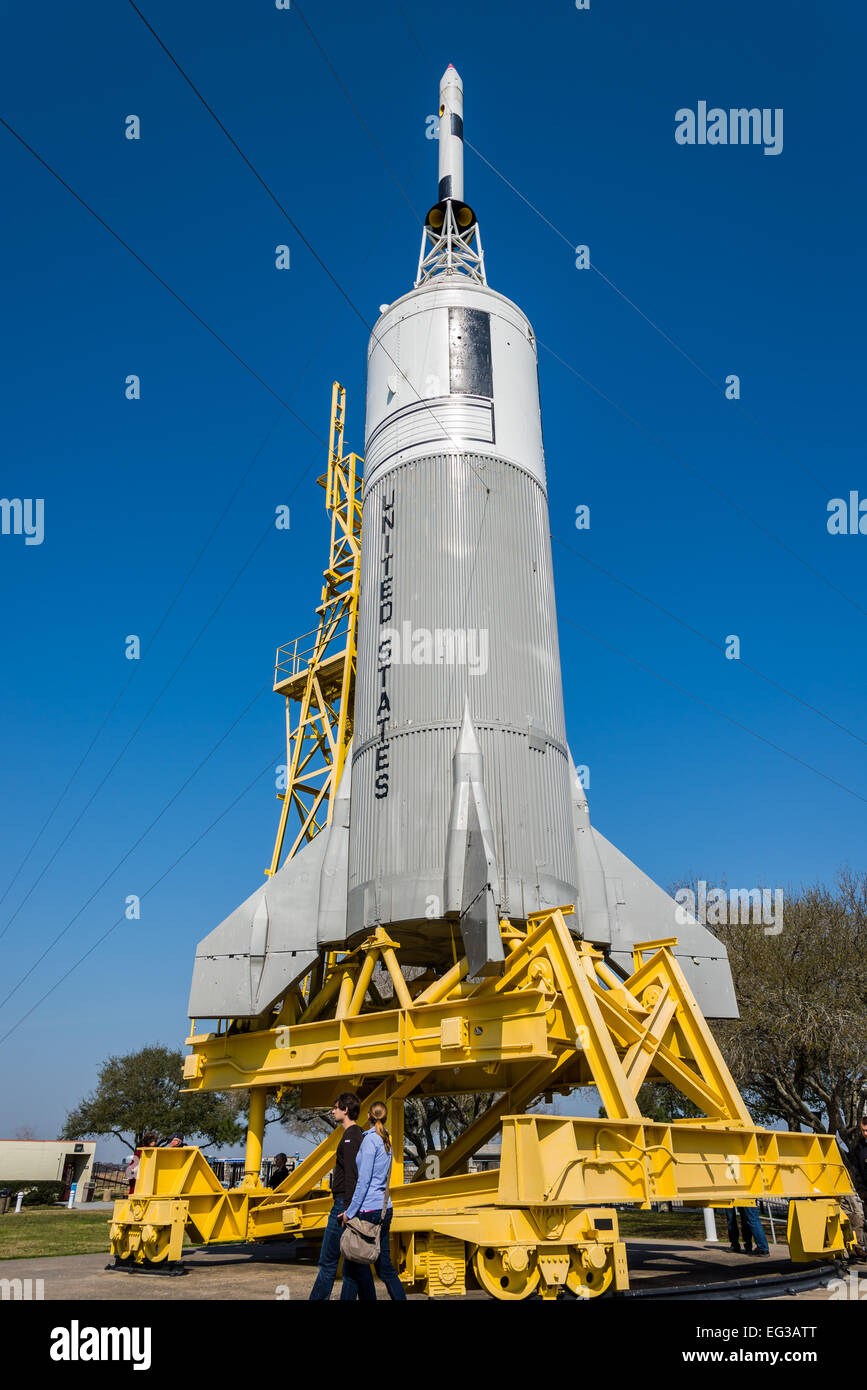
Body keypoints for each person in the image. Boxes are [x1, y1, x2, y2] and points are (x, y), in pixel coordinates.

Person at [309, 1093, 374, 1301]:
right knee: (356, 1265)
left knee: (327, 1262)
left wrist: (347, 1209)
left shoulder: (350, 1137)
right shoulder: (357, 1135)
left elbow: (352, 1176)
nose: (333, 1111)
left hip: (342, 1206)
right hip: (348, 1204)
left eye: (336, 1107)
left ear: (346, 1110)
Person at [340, 1101, 407, 1301]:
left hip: (368, 1210)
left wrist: (349, 1212)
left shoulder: (370, 1141)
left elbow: (364, 1181)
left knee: (352, 1267)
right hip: (384, 1208)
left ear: (369, 1116)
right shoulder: (386, 1139)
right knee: (383, 1267)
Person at [841, 1113, 867, 1258]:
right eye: (863, 1131)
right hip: (864, 1190)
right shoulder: (858, 1149)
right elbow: (856, 1171)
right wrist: (861, 1189)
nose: (865, 1134)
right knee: (860, 1220)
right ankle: (858, 1247)